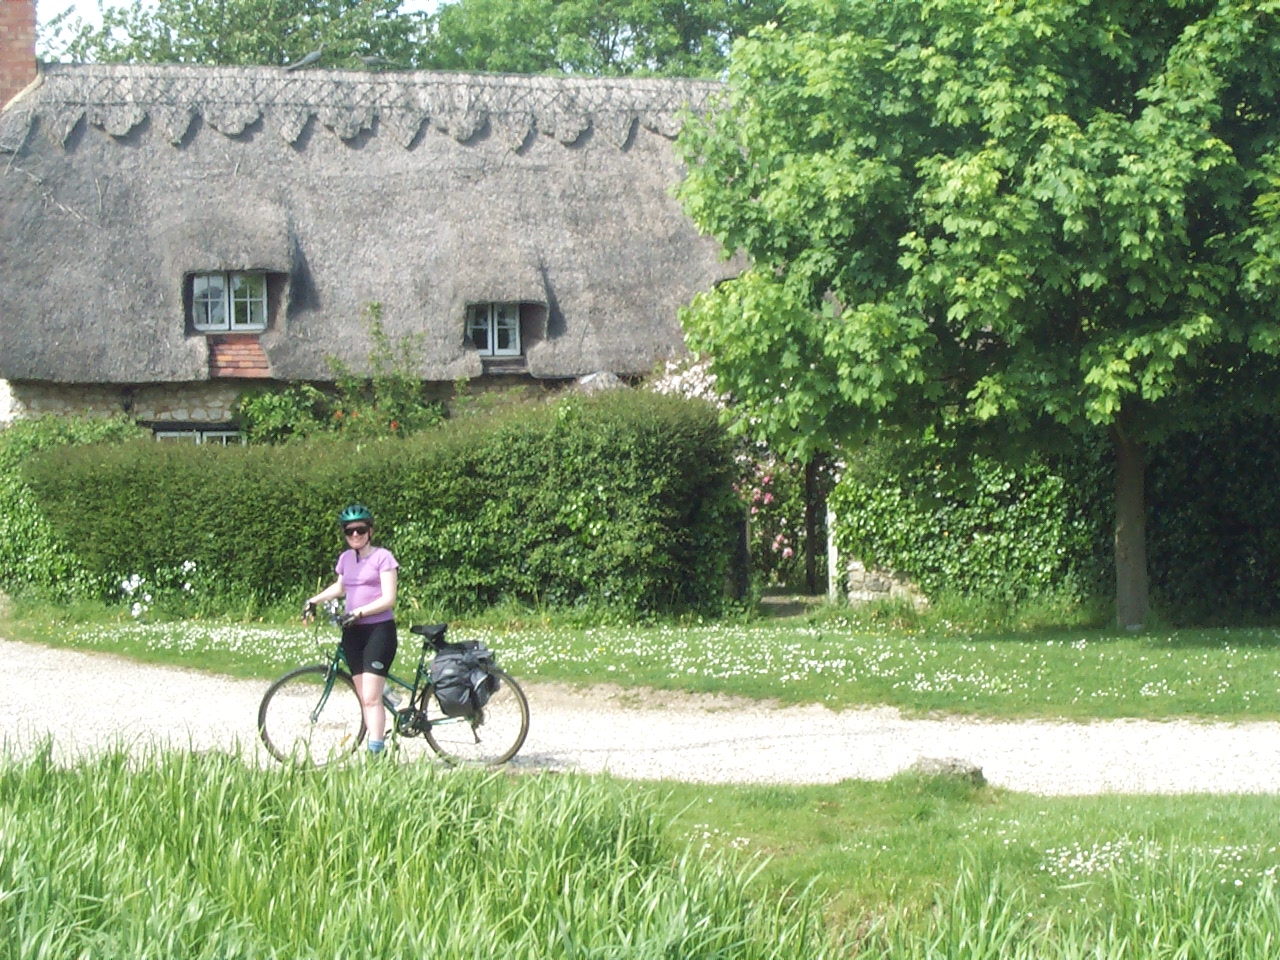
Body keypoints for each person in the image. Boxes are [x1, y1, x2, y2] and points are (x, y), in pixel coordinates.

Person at [305, 504, 399, 755]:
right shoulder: (346, 559)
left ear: (370, 531)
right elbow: (340, 587)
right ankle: (376, 744)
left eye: (360, 530)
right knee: (365, 697)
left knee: (370, 697)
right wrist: (314, 600)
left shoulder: (383, 557)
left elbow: (389, 598)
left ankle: (376, 755)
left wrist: (358, 612)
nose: (355, 535)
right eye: (349, 532)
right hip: (353, 633)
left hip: (378, 630)